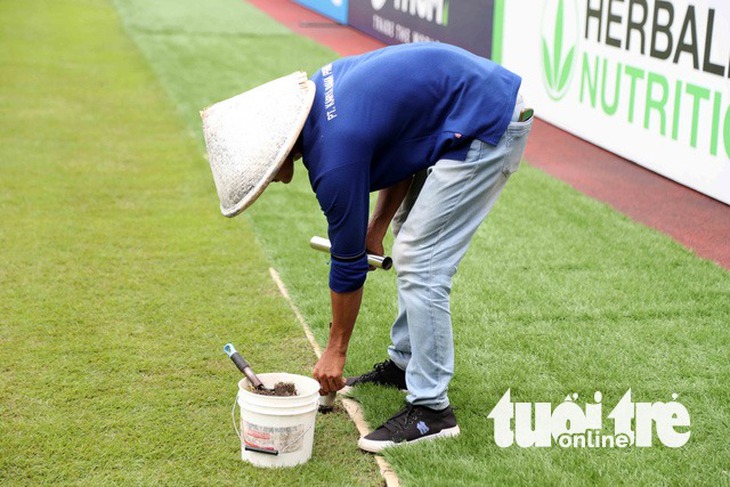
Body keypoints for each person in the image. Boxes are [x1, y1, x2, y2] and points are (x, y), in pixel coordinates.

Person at [202, 42, 533, 453]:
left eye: (264, 172)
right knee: (404, 231)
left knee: (420, 259)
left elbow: (347, 266)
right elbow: (407, 142)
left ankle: (432, 412)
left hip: (488, 121)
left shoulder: (334, 160)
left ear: (279, 146)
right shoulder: (322, 100)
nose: (269, 180)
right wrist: (375, 226)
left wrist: (335, 351)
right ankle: (404, 364)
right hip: (465, 110)